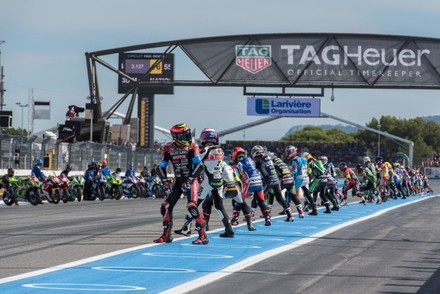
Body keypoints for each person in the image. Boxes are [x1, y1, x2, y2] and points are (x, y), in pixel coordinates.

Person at [175, 128, 236, 238]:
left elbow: (197, 162)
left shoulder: (204, 151)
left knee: (193, 204)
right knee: (219, 206)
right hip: (218, 182)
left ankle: (186, 228)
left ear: (204, 137)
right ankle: (229, 229)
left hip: (206, 182)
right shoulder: (220, 151)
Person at [154, 123, 208, 245]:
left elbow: (199, 166)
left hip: (192, 180)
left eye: (188, 134)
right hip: (178, 181)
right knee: (166, 206)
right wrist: (165, 182)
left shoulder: (192, 147)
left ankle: (203, 236)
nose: (188, 137)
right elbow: (161, 167)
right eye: (185, 135)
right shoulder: (168, 148)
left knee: (192, 206)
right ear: (177, 137)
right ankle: (166, 235)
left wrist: (189, 181)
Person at [250, 145, 294, 221]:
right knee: (279, 198)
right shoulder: (269, 158)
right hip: (276, 179)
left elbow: (254, 172)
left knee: (257, 196)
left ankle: (252, 215)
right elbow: (278, 168)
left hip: (268, 180)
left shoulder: (258, 160)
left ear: (256, 152)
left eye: (253, 152)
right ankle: (290, 215)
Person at [231, 146, 272, 226]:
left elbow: (237, 177)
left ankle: (235, 219)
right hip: (259, 182)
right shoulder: (251, 160)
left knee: (237, 199)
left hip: (250, 183)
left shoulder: (238, 164)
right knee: (261, 201)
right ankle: (267, 218)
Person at [286, 145, 318, 215]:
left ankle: (287, 209)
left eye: (288, 152)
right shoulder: (303, 159)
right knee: (307, 194)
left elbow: (294, 171)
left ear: (292, 152)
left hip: (299, 178)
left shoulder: (294, 160)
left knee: (290, 193)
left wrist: (289, 177)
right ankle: (314, 209)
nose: (287, 153)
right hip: (306, 177)